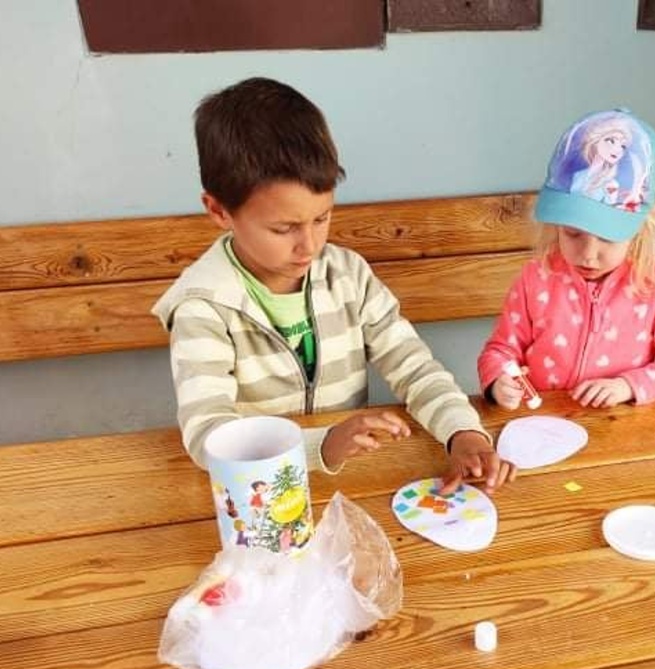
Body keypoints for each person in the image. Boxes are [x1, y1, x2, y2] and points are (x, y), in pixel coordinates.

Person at [152, 78, 513, 492]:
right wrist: (321, 447)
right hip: (258, 496)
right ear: (218, 210)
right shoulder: (203, 306)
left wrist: (463, 433)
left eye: (321, 218)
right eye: (283, 228)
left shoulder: (348, 276)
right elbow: (209, 435)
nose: (309, 245)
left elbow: (415, 368)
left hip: (348, 483)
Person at [478, 109, 655, 410]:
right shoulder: (537, 276)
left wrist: (627, 386)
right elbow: (501, 350)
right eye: (572, 233)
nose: (588, 254)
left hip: (623, 425)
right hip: (546, 422)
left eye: (608, 237)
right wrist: (497, 381)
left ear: (643, 224)